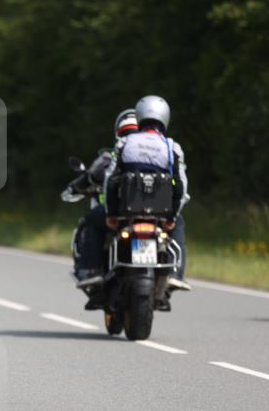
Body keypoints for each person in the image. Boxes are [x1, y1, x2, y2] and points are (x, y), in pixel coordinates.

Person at [104, 95, 191, 302]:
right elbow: (180, 186)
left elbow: (111, 179)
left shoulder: (125, 143)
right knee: (179, 223)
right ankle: (176, 275)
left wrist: (111, 213)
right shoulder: (172, 147)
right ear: (165, 118)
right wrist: (172, 216)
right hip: (161, 215)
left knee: (98, 226)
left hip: (127, 213)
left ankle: (95, 272)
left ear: (140, 116)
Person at [64, 108, 139, 284]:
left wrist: (75, 187)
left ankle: (91, 270)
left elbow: (91, 177)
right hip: (152, 212)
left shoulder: (112, 155)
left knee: (91, 219)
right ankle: (173, 273)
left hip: (117, 212)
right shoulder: (158, 152)